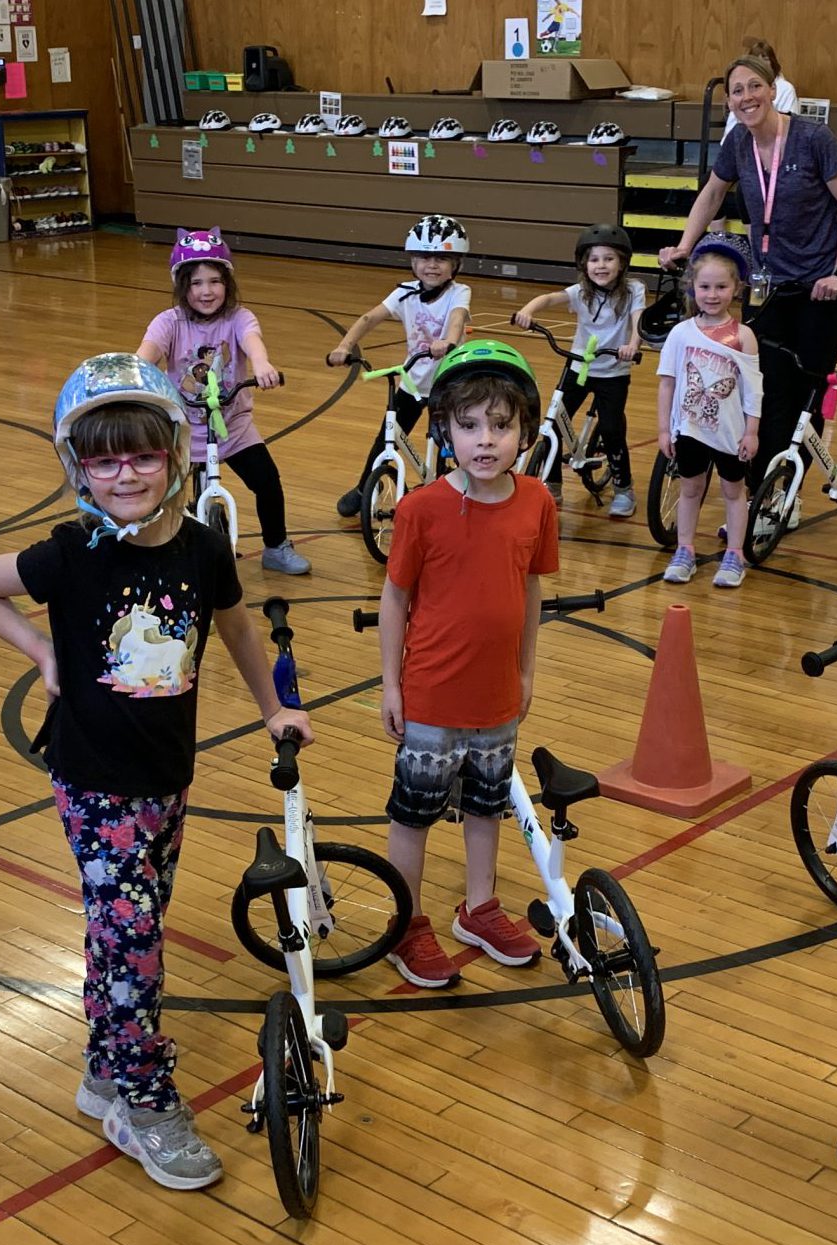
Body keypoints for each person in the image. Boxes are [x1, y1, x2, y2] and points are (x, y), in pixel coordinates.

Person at [0, 354, 310, 1190]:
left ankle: (100, 1068)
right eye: (104, 459)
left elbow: (234, 627)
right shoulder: (70, 553)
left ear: (173, 456)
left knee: (122, 935)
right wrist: (40, 650)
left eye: (141, 455)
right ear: (77, 466)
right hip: (92, 781)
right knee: (134, 941)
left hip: (166, 776)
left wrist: (271, 707)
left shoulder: (200, 546)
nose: (124, 474)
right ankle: (143, 1102)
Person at [375, 339, 561, 989]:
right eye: (469, 425)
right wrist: (390, 683)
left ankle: (478, 906)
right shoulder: (419, 509)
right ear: (445, 429)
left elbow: (531, 588)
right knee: (414, 815)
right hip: (430, 692)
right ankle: (406, 922)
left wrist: (528, 670)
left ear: (524, 432)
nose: (486, 440)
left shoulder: (536, 502)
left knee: (487, 806)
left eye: (501, 425)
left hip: (496, 695)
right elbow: (394, 596)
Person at [659, 54, 837, 488]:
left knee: (805, 392)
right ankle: (761, 489)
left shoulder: (813, 139)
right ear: (730, 102)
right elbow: (712, 194)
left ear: (773, 90)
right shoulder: (737, 144)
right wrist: (684, 244)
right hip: (770, 284)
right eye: (737, 91)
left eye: (755, 86)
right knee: (765, 387)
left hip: (822, 286)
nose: (746, 96)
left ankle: (783, 493)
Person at [137, 226, 310, 575]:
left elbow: (252, 341)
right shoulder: (169, 322)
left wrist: (262, 364)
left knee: (267, 481)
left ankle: (275, 546)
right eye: (196, 283)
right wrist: (136, 376)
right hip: (183, 429)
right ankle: (153, 547)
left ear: (227, 284)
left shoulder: (238, 318)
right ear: (182, 286)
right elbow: (146, 356)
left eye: (214, 281)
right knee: (159, 491)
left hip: (232, 425)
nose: (206, 291)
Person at [329, 215, 473, 518]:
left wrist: (447, 341)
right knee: (386, 436)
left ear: (456, 264)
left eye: (442, 258)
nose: (432, 265)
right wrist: (344, 346)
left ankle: (460, 492)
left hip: (449, 381)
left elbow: (458, 319)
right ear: (412, 260)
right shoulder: (404, 292)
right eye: (423, 257)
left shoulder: (459, 292)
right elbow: (370, 318)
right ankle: (365, 487)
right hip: (413, 378)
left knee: (451, 441)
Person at [510, 222, 644, 516]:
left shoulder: (634, 290)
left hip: (614, 371)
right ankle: (553, 486)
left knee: (611, 429)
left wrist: (632, 344)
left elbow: (638, 321)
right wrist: (528, 311)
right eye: (594, 259)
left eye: (609, 259)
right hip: (578, 366)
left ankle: (624, 489)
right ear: (584, 264)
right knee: (556, 423)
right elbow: (548, 298)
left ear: (622, 263)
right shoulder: (581, 291)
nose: (601, 265)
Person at [655, 234, 762, 587]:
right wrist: (663, 429)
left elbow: (752, 389)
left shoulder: (743, 336)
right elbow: (667, 384)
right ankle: (684, 548)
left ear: (736, 288)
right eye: (705, 286)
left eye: (720, 286)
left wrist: (751, 430)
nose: (712, 294)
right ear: (692, 288)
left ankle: (735, 554)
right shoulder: (680, 334)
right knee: (690, 489)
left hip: (729, 433)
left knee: (733, 492)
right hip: (690, 430)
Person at [723, 37, 800, 136]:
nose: (747, 97)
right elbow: (729, 133)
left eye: (765, 59)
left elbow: (791, 126)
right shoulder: (736, 136)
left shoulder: (786, 88)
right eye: (738, 91)